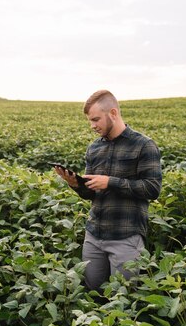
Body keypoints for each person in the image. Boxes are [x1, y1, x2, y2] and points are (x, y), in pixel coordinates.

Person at [54, 90, 162, 291]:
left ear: (113, 113)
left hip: (126, 236)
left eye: (96, 119)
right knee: (91, 290)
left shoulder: (144, 145)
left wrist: (111, 182)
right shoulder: (94, 148)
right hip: (94, 234)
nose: (92, 126)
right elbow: (91, 194)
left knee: (124, 296)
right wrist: (75, 184)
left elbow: (152, 189)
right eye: (90, 121)